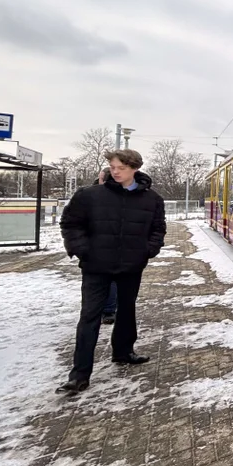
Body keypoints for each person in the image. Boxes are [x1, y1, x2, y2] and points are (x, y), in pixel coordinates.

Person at [57, 149, 166, 394]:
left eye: (121, 168)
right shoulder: (89, 195)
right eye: (112, 167)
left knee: (127, 310)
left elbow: (158, 228)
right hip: (96, 266)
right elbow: (70, 223)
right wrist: (82, 249)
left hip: (131, 265)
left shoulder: (152, 200)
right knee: (89, 317)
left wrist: (148, 250)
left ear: (135, 168)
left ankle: (124, 352)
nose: (114, 172)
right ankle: (79, 375)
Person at [93, 168, 117, 326]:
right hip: (94, 248)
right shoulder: (88, 196)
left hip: (115, 246)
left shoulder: (92, 195)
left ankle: (108, 309)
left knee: (112, 279)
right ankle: (105, 309)